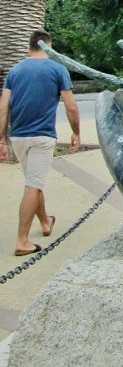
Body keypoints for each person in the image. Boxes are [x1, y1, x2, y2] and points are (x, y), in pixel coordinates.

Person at [0, 31, 80, 256]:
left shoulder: (14, 71)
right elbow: (71, 106)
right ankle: (22, 241)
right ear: (48, 47)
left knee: (33, 181)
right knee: (33, 185)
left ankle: (45, 221)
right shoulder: (57, 69)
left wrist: (1, 139)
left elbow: (3, 107)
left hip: (18, 137)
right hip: (42, 136)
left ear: (29, 48)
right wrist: (76, 132)